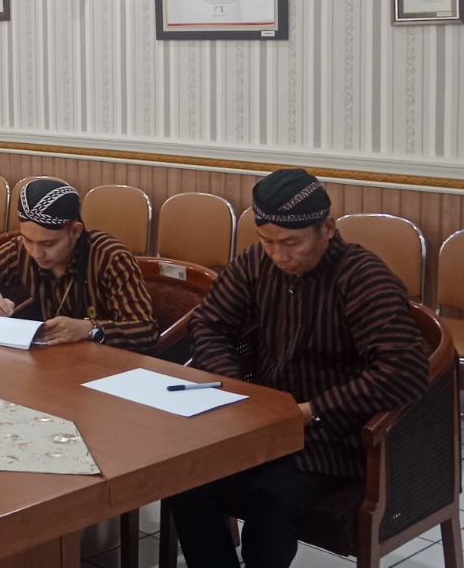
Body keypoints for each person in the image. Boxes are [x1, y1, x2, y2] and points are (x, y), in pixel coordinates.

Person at [167, 168, 429, 568]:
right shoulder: (258, 264)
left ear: (328, 226)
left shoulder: (363, 278)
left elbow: (403, 370)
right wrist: (239, 389)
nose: (279, 255)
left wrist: (313, 411)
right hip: (265, 420)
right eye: (267, 241)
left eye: (292, 242)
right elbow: (209, 323)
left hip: (336, 435)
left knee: (271, 495)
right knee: (184, 477)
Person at [0, 179, 157, 351]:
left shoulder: (110, 257)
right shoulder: (19, 249)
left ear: (75, 231)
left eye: (48, 243)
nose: (37, 253)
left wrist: (89, 329)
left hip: (103, 369)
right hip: (50, 364)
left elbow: (146, 331)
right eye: (28, 240)